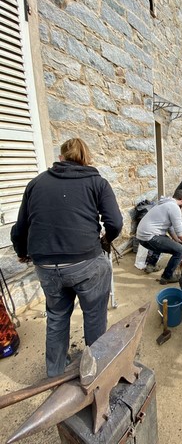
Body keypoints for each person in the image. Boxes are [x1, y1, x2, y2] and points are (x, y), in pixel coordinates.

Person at [11, 138, 123, 377]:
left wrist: (22, 252)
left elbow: (20, 228)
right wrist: (105, 241)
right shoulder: (97, 182)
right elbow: (115, 223)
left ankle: (55, 374)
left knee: (56, 316)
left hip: (46, 265)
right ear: (86, 158)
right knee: (94, 316)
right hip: (86, 262)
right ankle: (93, 371)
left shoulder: (35, 184)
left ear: (60, 158)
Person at [136, 189, 182, 284]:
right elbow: (180, 232)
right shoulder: (174, 207)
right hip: (149, 237)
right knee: (180, 250)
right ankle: (167, 277)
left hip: (142, 236)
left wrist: (176, 240)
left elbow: (171, 228)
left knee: (164, 241)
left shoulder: (164, 204)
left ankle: (151, 265)